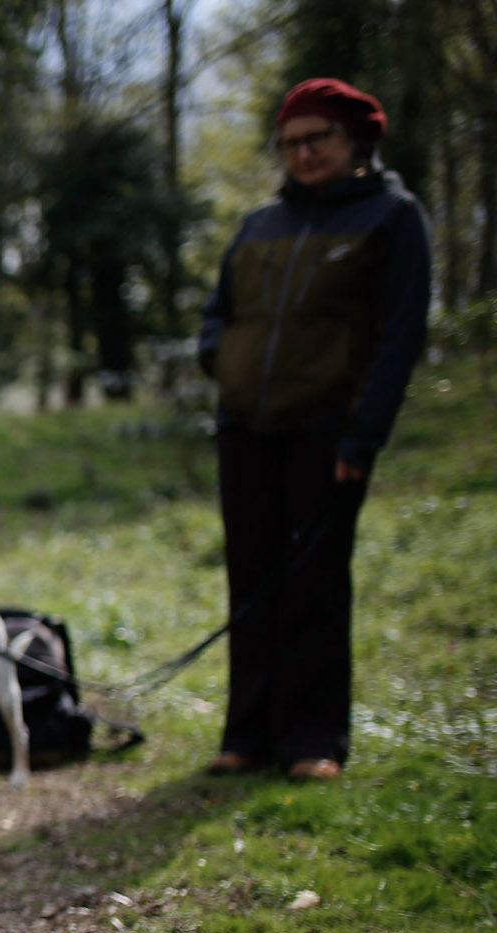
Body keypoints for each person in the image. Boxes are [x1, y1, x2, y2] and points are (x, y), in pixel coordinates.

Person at [196, 77, 431, 780]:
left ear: (354, 140)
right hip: (247, 428)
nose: (302, 153)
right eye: (291, 142)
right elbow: (220, 309)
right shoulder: (261, 222)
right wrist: (222, 360)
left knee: (315, 584)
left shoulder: (392, 217)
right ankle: (247, 733)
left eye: (316, 138)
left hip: (328, 431)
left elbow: (399, 338)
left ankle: (313, 739)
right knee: (252, 578)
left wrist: (364, 437)